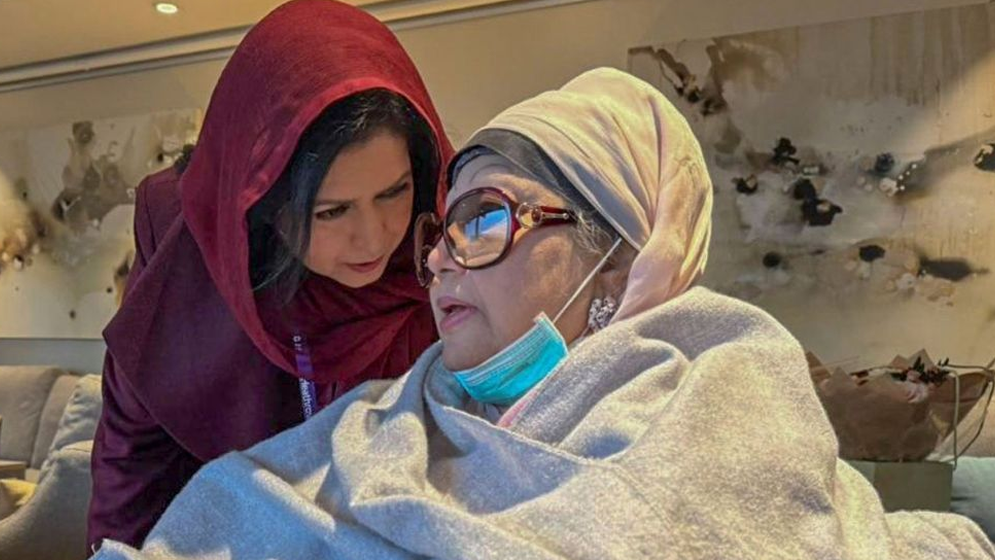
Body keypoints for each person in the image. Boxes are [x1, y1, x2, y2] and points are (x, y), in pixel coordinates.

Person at [90, 68, 993, 559]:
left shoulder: (728, 405)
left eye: (485, 219)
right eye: (443, 230)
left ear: (619, 254)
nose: (434, 258)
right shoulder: (380, 423)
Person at [87, 0, 452, 550]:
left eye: (394, 192)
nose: (375, 239)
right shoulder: (184, 245)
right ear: (259, 204)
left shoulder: (448, 247)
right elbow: (134, 458)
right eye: (332, 211)